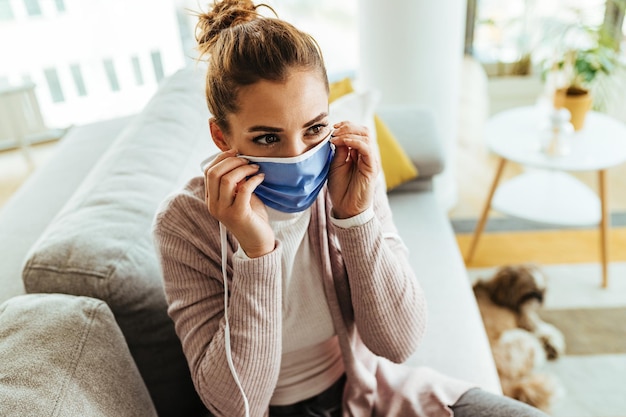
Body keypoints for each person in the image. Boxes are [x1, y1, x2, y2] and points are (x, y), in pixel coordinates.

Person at [152, 1, 551, 416]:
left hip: (369, 391)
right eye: (268, 138)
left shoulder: (345, 175)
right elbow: (236, 403)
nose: (297, 156)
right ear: (222, 137)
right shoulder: (184, 224)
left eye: (314, 129)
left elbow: (397, 343)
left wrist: (356, 219)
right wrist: (257, 253)